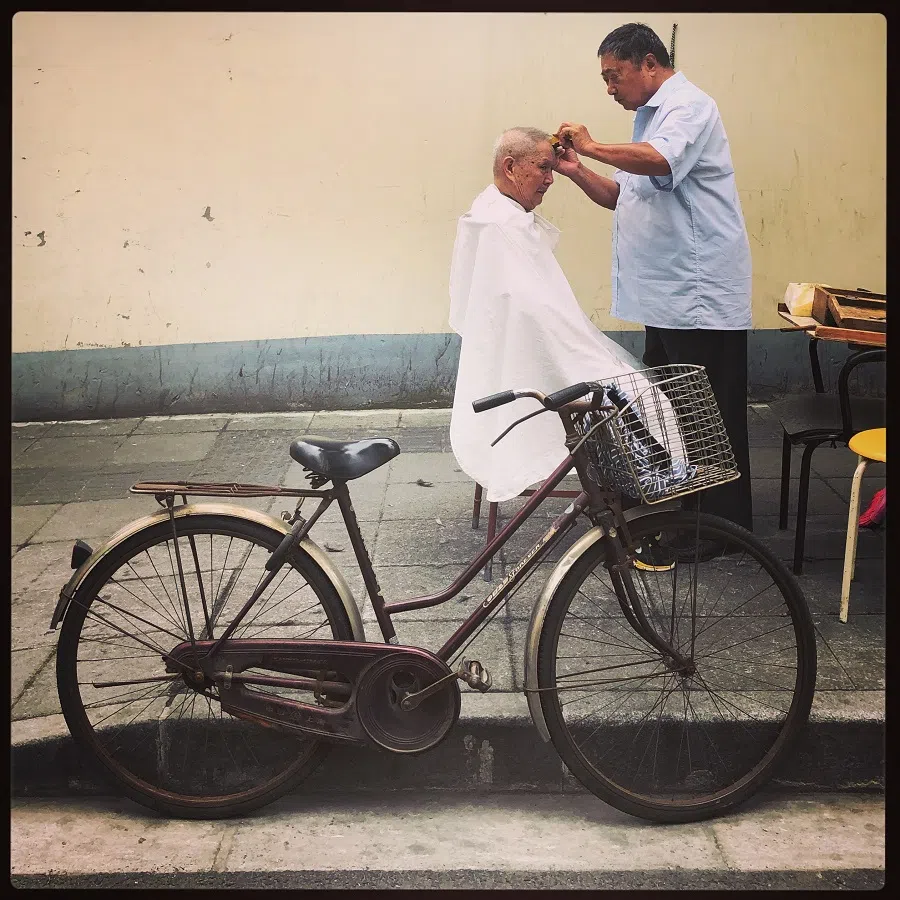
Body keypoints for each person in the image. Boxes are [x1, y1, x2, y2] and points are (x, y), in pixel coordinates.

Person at [554, 22, 754, 532]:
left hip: (698, 291)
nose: (609, 87)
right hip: (665, 295)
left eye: (614, 75)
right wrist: (578, 168)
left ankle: (721, 527)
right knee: (674, 404)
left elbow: (661, 160)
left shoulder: (689, 106)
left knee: (710, 410)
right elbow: (622, 195)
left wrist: (594, 144)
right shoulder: (649, 121)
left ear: (649, 63)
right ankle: (693, 508)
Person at [448, 127, 680, 531]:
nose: (550, 179)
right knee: (643, 398)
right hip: (534, 357)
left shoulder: (494, 211)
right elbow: (538, 317)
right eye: (543, 168)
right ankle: (645, 508)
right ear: (510, 166)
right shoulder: (500, 226)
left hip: (529, 347)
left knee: (637, 389)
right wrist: (590, 354)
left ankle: (643, 498)